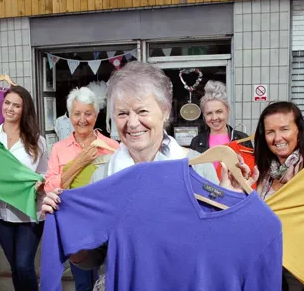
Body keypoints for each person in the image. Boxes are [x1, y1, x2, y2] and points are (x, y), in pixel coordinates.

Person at [41, 62, 256, 283]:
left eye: (142, 111)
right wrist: (66, 230)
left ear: (165, 111)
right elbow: (94, 257)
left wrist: (232, 204)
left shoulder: (196, 166)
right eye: (123, 113)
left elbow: (220, 244)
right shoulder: (104, 175)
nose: (133, 123)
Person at [44, 87, 119, 291]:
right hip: (75, 226)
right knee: (83, 282)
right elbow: (50, 187)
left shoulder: (113, 147)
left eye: (88, 113)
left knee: (111, 277)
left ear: (96, 115)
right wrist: (80, 162)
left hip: (107, 225)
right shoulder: (59, 149)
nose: (82, 119)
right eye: (77, 114)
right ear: (69, 117)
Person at [0, 86, 48, 291]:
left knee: (24, 265)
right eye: (7, 103)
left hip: (28, 212)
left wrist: (41, 182)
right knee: (14, 267)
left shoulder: (37, 141)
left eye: (16, 105)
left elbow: (47, 173)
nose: (10, 108)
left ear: (25, 109)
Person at [254, 101, 304, 201]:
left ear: (299, 130)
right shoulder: (263, 172)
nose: (277, 138)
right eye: (270, 132)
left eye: (284, 129)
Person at [190, 80, 251, 154]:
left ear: (227, 110)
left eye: (219, 111)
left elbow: (250, 165)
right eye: (209, 113)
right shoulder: (196, 141)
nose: (214, 117)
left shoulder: (243, 139)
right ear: (204, 115)